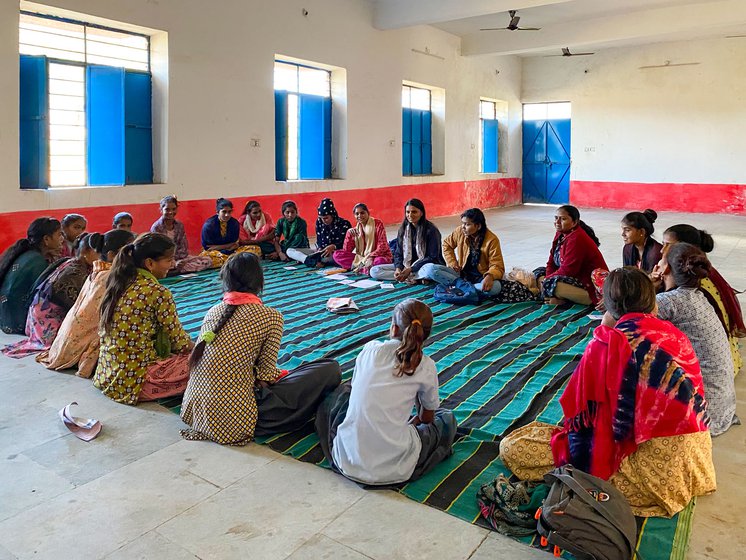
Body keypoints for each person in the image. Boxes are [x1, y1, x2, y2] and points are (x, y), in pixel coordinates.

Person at [500, 267, 715, 518]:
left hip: (651, 476)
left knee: (514, 446)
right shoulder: (673, 334)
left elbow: (586, 421)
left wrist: (606, 329)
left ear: (609, 305)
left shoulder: (609, 342)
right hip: (694, 465)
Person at [180, 252, 342, 445]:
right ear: (259, 281)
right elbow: (266, 375)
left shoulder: (213, 311)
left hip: (196, 413)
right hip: (237, 419)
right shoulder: (271, 317)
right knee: (329, 369)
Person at [316, 299, 457, 485]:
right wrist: (416, 416)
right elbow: (427, 418)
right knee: (446, 419)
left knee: (343, 393)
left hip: (347, 459)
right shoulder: (426, 366)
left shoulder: (370, 349)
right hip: (394, 467)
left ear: (394, 328)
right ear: (424, 336)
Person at [93, 233, 193, 405]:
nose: (172, 265)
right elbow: (180, 343)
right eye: (168, 261)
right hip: (135, 383)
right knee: (204, 363)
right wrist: (200, 349)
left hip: (107, 374)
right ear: (150, 263)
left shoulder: (120, 281)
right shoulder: (158, 292)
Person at [654, 243, 738, 436]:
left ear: (666, 268)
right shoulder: (697, 296)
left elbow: (622, 319)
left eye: (662, 257)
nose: (658, 256)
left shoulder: (670, 301)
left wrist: (650, 285)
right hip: (723, 406)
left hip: (705, 413)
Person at [37, 229, 135, 378]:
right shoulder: (109, 277)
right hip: (75, 342)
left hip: (67, 339)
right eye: (129, 251)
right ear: (112, 255)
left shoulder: (98, 271)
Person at [661, 224, 744, 376]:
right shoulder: (700, 274)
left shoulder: (694, 286)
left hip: (710, 374)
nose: (662, 250)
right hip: (726, 363)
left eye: (668, 246)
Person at [2, 233, 97, 358]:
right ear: (86, 251)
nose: (102, 258)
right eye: (99, 253)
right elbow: (75, 306)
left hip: (31, 320)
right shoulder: (75, 271)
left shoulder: (72, 263)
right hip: (44, 323)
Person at [419, 208, 504, 297]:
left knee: (496, 288)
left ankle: (460, 289)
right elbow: (447, 245)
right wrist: (452, 262)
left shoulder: (492, 240)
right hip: (460, 275)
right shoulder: (460, 231)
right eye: (462, 223)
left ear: (478, 226)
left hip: (480, 277)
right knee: (430, 269)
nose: (463, 227)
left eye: (467, 224)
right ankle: (467, 289)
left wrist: (489, 276)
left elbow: (497, 265)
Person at [0, 217, 64, 334]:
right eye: (59, 235)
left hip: (5, 319)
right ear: (46, 239)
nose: (62, 239)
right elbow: (46, 296)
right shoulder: (38, 262)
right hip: (17, 322)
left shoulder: (28, 254)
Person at [535, 205, 608, 305]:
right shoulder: (560, 234)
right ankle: (553, 294)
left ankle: (566, 300)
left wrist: (547, 281)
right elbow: (551, 262)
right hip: (571, 278)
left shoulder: (577, 238)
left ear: (574, 222)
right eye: (556, 218)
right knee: (539, 272)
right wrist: (547, 278)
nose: (557, 222)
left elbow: (568, 270)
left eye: (563, 219)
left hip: (588, 286)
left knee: (552, 283)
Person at [369, 199, 444, 283]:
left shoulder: (431, 230)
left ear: (421, 213)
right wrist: (398, 268)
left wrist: (411, 269)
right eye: (408, 212)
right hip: (406, 266)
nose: (410, 215)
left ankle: (411, 277)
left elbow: (432, 257)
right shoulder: (403, 229)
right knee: (374, 270)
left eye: (414, 212)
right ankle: (414, 278)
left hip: (424, 266)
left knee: (431, 270)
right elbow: (398, 253)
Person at [150, 195, 213, 274]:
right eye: (167, 209)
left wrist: (180, 261)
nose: (171, 212)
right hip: (165, 259)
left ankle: (176, 270)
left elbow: (183, 246)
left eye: (174, 209)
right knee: (166, 265)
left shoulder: (179, 225)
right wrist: (172, 261)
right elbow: (158, 250)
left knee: (207, 261)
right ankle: (174, 269)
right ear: (161, 210)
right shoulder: (156, 227)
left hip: (180, 257)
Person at [286, 198, 351, 267]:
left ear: (332, 215)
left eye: (326, 218)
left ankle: (308, 260)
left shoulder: (344, 224)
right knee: (289, 251)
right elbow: (319, 241)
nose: (323, 220)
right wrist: (319, 249)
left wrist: (334, 246)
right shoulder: (319, 222)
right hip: (320, 253)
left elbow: (347, 246)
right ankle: (308, 260)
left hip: (334, 254)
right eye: (321, 218)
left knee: (334, 257)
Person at [333, 203, 392, 275]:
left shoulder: (377, 224)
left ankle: (360, 268)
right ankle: (365, 269)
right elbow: (347, 250)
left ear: (368, 213)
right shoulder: (355, 230)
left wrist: (371, 256)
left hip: (377, 256)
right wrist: (349, 234)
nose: (359, 216)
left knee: (380, 261)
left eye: (362, 213)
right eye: (357, 214)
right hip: (362, 258)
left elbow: (383, 246)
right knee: (336, 255)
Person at [200, 198, 257, 267]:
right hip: (215, 253)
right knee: (206, 259)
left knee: (255, 249)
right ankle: (235, 261)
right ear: (217, 212)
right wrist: (227, 246)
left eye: (229, 212)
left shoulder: (234, 223)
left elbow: (235, 243)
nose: (227, 215)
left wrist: (232, 246)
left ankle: (230, 260)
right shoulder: (209, 225)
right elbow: (208, 248)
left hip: (231, 251)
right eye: (224, 212)